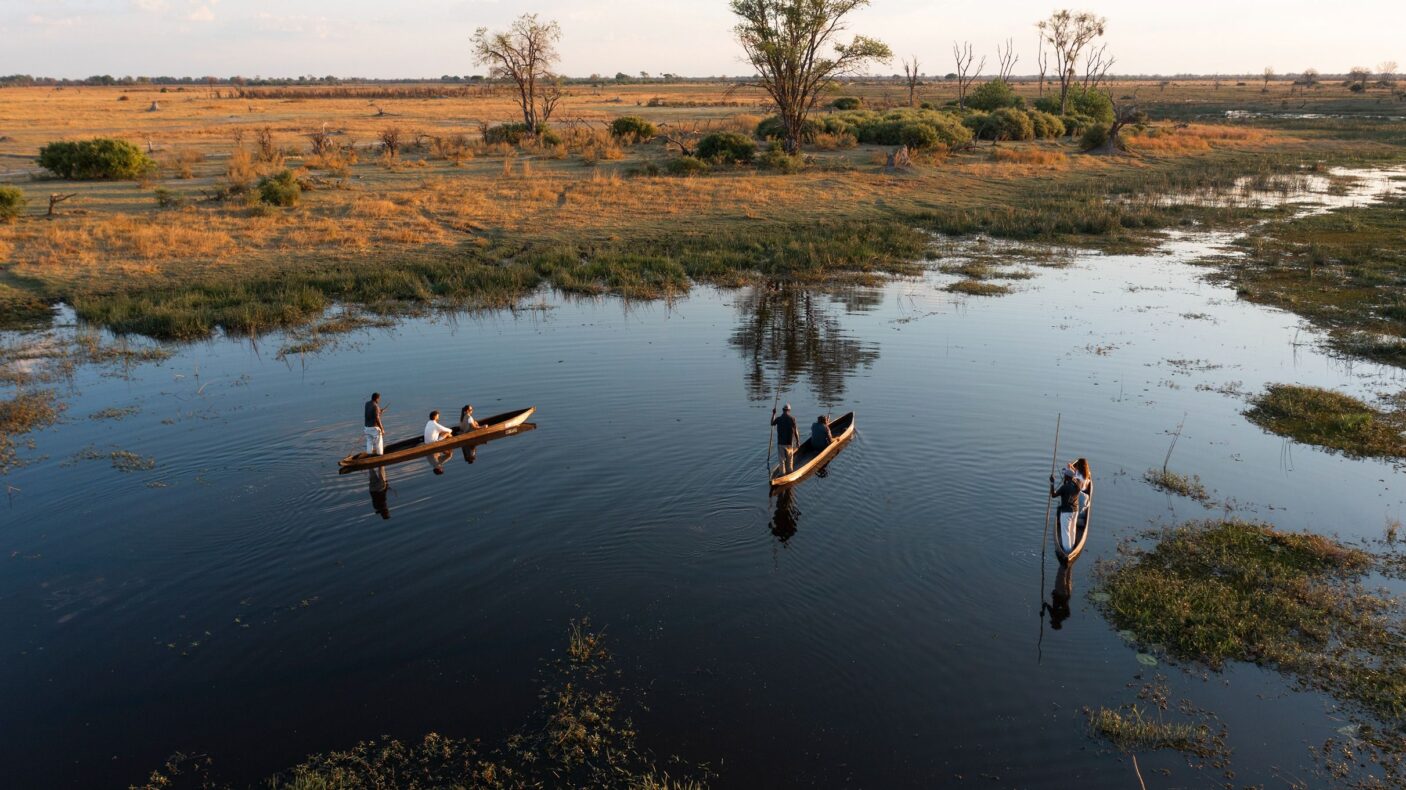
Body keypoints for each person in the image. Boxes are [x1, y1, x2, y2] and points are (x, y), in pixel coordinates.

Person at [1050, 467, 1082, 550]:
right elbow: (1072, 484)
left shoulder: (1065, 487)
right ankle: (1072, 546)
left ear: (1067, 477)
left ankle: (1067, 550)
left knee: (1065, 532)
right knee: (1072, 529)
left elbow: (1053, 495)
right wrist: (1066, 481)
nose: (1064, 476)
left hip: (1066, 512)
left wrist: (1052, 483)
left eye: (1065, 475)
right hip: (1075, 511)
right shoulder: (1078, 485)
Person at [771, 403, 799, 474]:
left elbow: (772, 423)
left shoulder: (778, 419)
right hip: (789, 443)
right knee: (789, 460)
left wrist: (773, 414)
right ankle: (790, 472)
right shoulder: (792, 419)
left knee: (781, 460)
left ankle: (782, 473)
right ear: (789, 410)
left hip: (780, 443)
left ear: (783, 410)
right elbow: (795, 431)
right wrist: (797, 441)